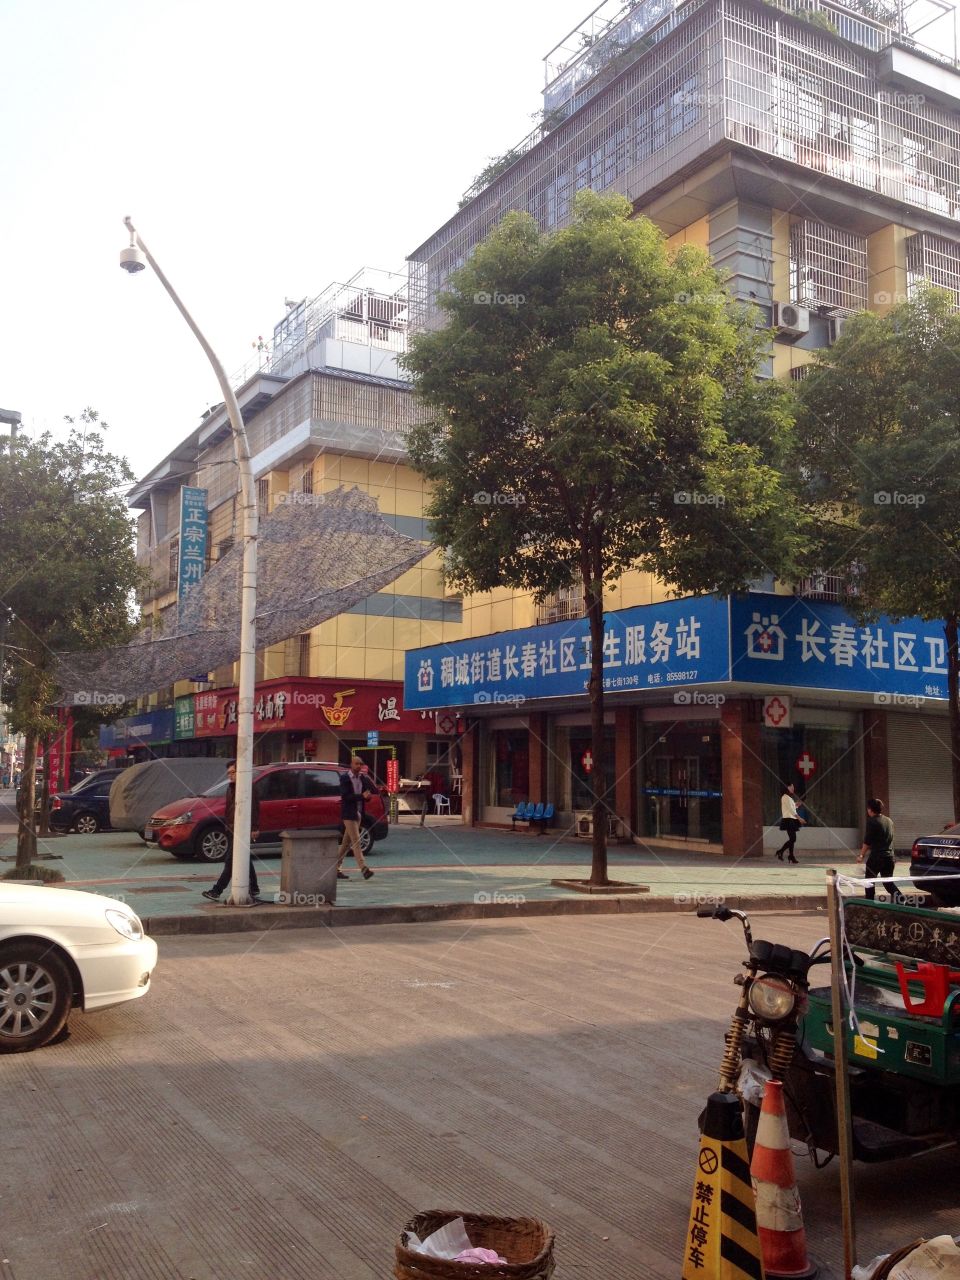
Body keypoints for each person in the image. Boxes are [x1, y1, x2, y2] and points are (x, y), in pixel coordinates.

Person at [202, 760, 261, 903]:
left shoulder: (247, 788)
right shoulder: (231, 788)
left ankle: (217, 890)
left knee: (231, 860)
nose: (230, 775)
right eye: (229, 773)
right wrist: (227, 826)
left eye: (233, 772)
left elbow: (254, 808)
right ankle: (254, 888)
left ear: (240, 773)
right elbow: (229, 809)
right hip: (232, 828)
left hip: (242, 830)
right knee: (243, 858)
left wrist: (254, 827)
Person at [857, 798, 904, 903]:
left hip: (877, 857)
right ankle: (902, 900)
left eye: (868, 808)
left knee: (869, 881)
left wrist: (861, 855)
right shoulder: (889, 821)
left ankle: (870, 904)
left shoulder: (872, 821)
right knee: (888, 883)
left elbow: (867, 841)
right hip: (890, 857)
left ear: (870, 809)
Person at [337, 756, 375, 880]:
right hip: (348, 814)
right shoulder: (345, 778)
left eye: (361, 764)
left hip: (358, 813)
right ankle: (364, 868)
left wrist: (367, 796)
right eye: (356, 764)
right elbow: (346, 797)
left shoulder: (362, 778)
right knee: (356, 840)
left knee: (346, 843)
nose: (359, 766)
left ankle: (335, 868)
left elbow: (367, 793)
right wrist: (361, 796)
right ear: (351, 764)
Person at [775, 783, 805, 863]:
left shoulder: (789, 798)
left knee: (792, 839)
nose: (793, 789)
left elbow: (791, 808)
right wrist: (799, 818)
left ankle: (791, 856)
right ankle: (781, 852)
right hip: (788, 820)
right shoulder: (785, 797)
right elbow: (791, 810)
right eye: (792, 787)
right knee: (793, 839)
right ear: (787, 787)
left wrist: (796, 805)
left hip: (791, 819)